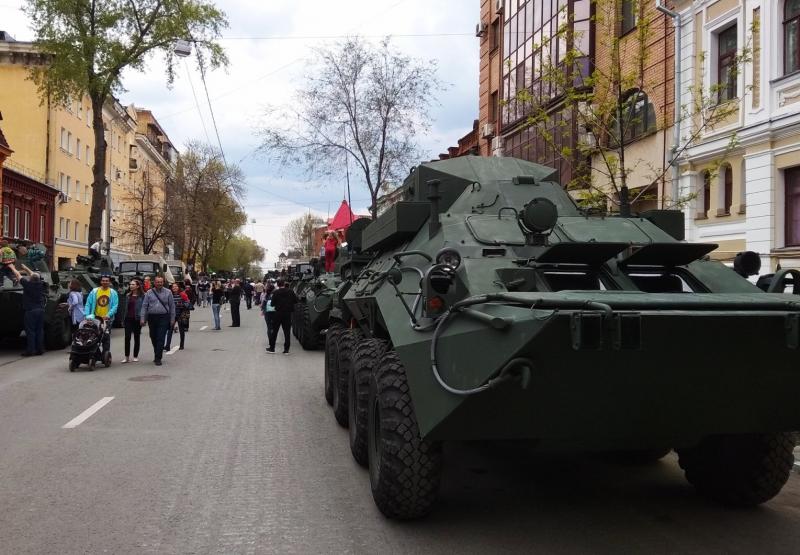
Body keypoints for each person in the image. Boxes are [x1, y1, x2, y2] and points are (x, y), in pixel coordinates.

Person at [8, 262, 45, 356]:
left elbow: (18, 275)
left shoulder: (28, 284)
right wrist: (26, 268)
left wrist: (12, 267)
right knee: (39, 330)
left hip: (31, 311)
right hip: (40, 310)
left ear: (30, 279)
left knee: (30, 331)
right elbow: (34, 275)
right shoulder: (41, 284)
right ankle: (40, 349)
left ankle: (31, 350)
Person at [140, 276, 175, 366]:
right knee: (153, 337)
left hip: (164, 317)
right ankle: (157, 352)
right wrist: (142, 318)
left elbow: (172, 307)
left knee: (161, 337)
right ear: (154, 283)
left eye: (161, 282)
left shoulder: (168, 292)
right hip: (152, 317)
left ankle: (158, 357)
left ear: (163, 283)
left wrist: (172, 319)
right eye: (157, 282)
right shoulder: (149, 293)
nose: (159, 283)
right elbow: (144, 306)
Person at [84, 274, 119, 356]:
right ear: (100, 281)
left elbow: (115, 306)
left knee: (105, 337)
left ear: (109, 282)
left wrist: (108, 315)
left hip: (107, 319)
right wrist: (87, 315)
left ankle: (105, 354)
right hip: (94, 319)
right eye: (103, 280)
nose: (105, 282)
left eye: (107, 281)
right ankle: (93, 353)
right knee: (93, 336)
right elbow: (88, 304)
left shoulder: (113, 293)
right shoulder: (94, 291)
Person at [266, 279, 298, 354]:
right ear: (284, 283)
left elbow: (272, 304)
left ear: (278, 284)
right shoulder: (290, 291)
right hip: (287, 314)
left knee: (274, 331)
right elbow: (296, 301)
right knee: (287, 332)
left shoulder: (276, 292)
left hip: (277, 313)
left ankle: (272, 348)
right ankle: (286, 350)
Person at [122, 279, 144, 363]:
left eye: (133, 284)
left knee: (136, 337)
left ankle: (135, 356)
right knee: (127, 337)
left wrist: (143, 319)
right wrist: (123, 319)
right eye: (130, 284)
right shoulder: (128, 295)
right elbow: (125, 309)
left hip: (137, 319)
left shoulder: (142, 296)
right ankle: (126, 357)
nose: (131, 286)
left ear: (138, 286)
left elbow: (144, 308)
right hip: (128, 319)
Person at [165, 282, 190, 351]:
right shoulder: (170, 295)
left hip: (180, 314)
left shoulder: (182, 294)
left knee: (181, 330)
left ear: (178, 287)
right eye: (173, 287)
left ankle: (181, 345)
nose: (174, 288)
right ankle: (167, 346)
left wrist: (181, 304)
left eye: (176, 286)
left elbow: (188, 302)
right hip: (172, 315)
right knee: (169, 330)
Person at [261, 281, 276, 345]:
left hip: (267, 312)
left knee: (269, 326)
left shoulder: (266, 295)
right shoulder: (275, 295)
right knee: (274, 327)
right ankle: (273, 339)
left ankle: (270, 340)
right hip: (275, 312)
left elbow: (263, 304)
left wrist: (263, 311)